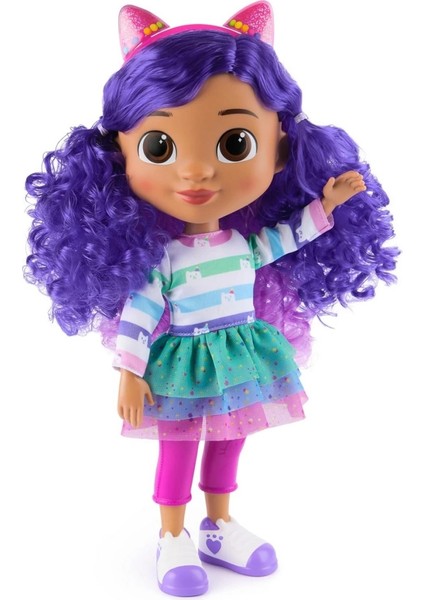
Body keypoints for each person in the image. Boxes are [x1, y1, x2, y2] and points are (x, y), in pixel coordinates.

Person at [25, 3, 398, 596]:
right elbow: (142, 311)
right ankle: (172, 533)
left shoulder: (244, 246)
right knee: (177, 449)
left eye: (234, 142)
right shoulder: (166, 259)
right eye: (160, 146)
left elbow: (287, 238)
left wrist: (327, 205)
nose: (196, 172)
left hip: (241, 355)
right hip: (184, 360)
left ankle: (218, 524)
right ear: (119, 154)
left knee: (229, 439)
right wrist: (130, 371)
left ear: (280, 148)